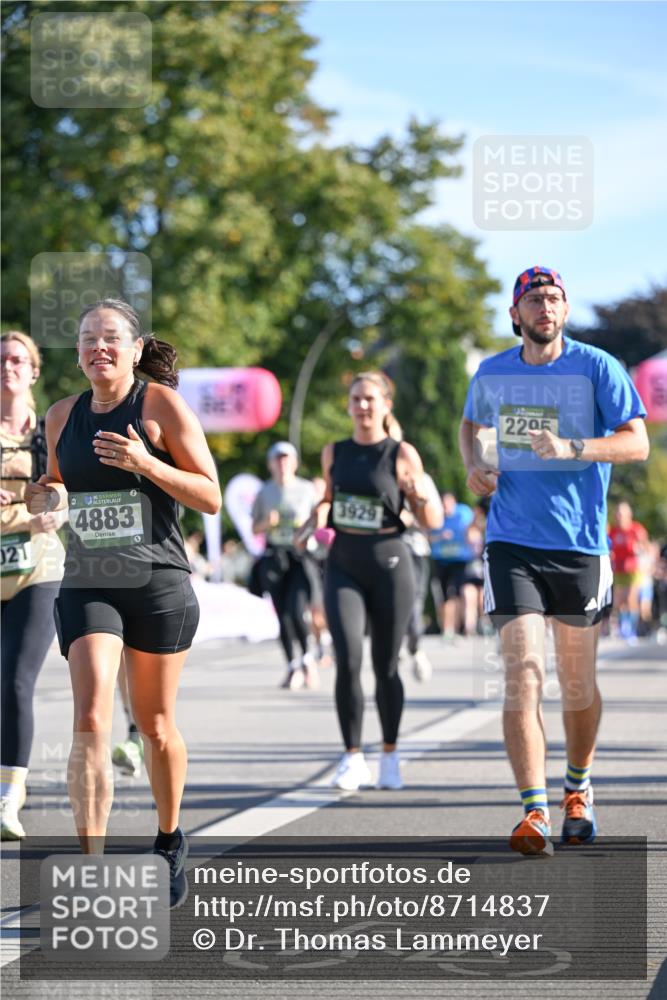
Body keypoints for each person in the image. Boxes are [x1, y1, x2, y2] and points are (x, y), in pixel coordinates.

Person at [26, 299, 221, 905]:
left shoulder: (159, 405)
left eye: (111, 338)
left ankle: (168, 837)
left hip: (158, 580)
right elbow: (54, 486)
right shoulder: (61, 415)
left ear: (136, 350)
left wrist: (145, 462)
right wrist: (46, 500)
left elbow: (210, 495)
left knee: (156, 724)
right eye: (87, 339)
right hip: (89, 580)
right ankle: (91, 866)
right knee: (89, 717)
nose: (97, 348)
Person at [459, 265, 648, 855]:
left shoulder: (596, 367)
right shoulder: (493, 372)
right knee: (522, 675)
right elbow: (471, 427)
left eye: (555, 298)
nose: (546, 306)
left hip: (580, 544)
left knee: (576, 683)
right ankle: (534, 810)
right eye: (534, 299)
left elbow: (637, 441)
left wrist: (576, 447)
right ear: (515, 314)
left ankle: (578, 785)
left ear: (565, 311)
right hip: (513, 542)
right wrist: (475, 468)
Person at [299, 372, 442, 791]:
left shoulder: (401, 453)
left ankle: (391, 754)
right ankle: (351, 757)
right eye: (356, 399)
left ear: (386, 406)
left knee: (384, 665)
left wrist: (417, 494)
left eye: (370, 400)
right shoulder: (334, 452)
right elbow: (328, 499)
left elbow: (431, 521)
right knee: (348, 660)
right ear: (349, 405)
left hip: (390, 562)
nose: (362, 406)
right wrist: (312, 521)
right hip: (344, 562)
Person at [1, 332, 66, 840]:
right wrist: (28, 510)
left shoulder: (49, 431)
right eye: (2, 359)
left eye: (19, 359)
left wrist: (42, 512)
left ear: (34, 371)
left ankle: (9, 796)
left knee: (17, 681)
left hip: (37, 572)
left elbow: (64, 496)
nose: (9, 367)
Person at [251, 442, 319, 690]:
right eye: (278, 460)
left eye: (287, 459)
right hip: (275, 557)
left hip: (300, 557)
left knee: (297, 609)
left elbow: (322, 525)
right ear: (271, 464)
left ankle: (308, 661)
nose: (282, 464)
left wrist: (308, 530)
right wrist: (267, 522)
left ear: (295, 462)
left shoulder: (307, 489)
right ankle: (292, 666)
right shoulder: (264, 492)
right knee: (283, 616)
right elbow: (254, 529)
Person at [429, 493, 476, 640]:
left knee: (456, 593)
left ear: (454, 502)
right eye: (443, 504)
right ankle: (448, 628)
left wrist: (471, 535)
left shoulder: (464, 513)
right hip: (441, 561)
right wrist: (441, 536)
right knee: (444, 596)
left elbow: (473, 526)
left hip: (459, 560)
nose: (446, 508)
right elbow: (428, 536)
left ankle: (458, 628)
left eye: (448, 504)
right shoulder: (436, 514)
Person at [609, 502, 648, 640]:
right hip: (619, 569)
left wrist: (640, 549)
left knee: (631, 598)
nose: (619, 516)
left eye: (622, 513)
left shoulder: (636, 529)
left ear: (628, 515)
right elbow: (609, 548)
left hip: (633, 568)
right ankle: (624, 626)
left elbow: (645, 547)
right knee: (620, 601)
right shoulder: (613, 531)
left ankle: (632, 628)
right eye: (617, 513)